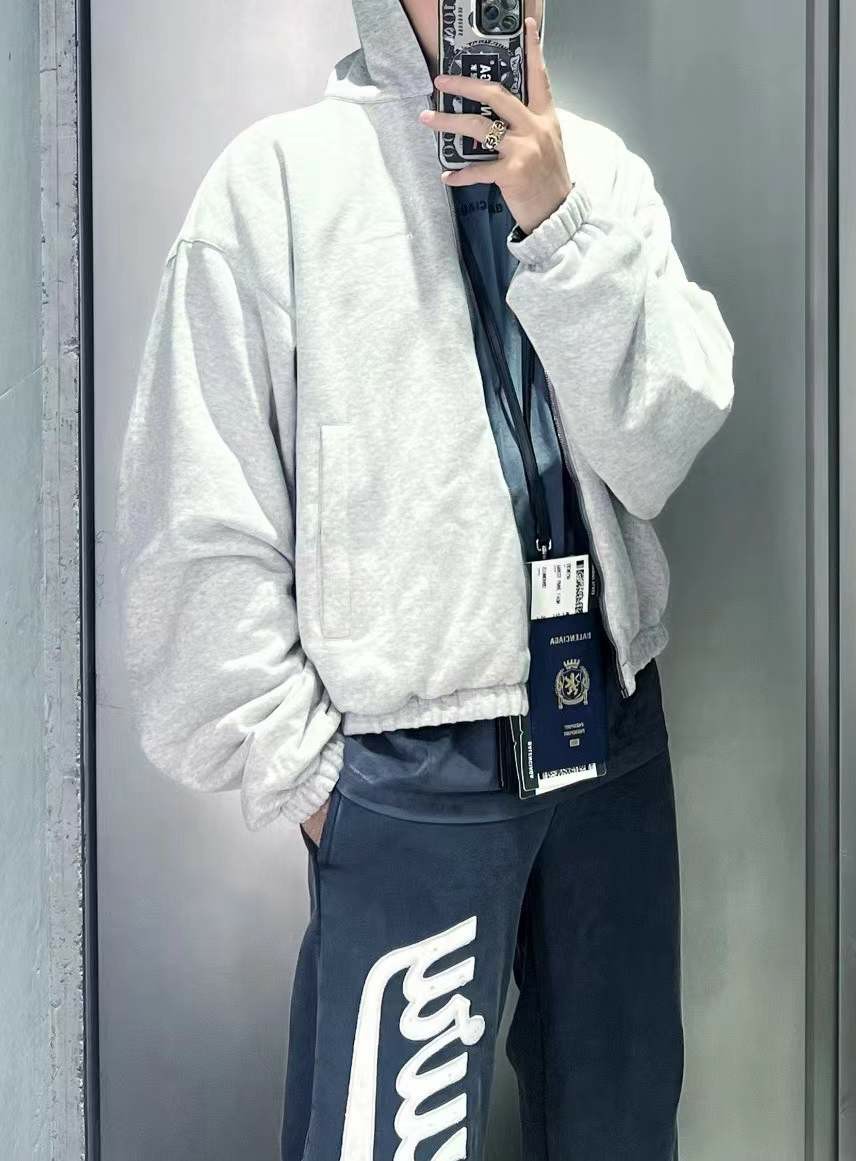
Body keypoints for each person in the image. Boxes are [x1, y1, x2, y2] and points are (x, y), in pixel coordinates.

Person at [115, 0, 735, 1157]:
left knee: (621, 1130)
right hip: (414, 770)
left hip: (608, 735)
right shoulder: (274, 187)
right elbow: (198, 525)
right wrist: (314, 783)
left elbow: (662, 444)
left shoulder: (599, 176)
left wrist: (557, 224)